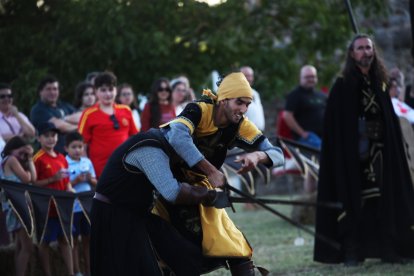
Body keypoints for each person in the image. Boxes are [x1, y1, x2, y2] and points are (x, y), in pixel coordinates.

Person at [90, 72, 284, 275]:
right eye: (240, 102)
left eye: (247, 104)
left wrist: (258, 156)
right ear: (224, 99)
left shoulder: (240, 125)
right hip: (156, 202)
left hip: (189, 194)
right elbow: (176, 158)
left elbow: (277, 154)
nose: (244, 109)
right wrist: (211, 176)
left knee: (232, 245)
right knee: (169, 257)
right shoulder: (194, 114)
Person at [314, 34, 414, 265]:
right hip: (354, 155)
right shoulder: (343, 84)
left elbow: (389, 119)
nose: (365, 52)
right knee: (355, 201)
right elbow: (336, 125)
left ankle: (389, 250)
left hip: (382, 152)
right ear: (352, 54)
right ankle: (353, 251)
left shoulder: (380, 82)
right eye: (360, 48)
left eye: (368, 48)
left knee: (385, 200)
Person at [33, 122, 74, 276]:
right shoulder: (38, 158)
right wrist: (52, 179)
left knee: (65, 240)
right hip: (46, 209)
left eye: (53, 135)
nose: (51, 139)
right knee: (44, 242)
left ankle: (71, 273)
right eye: (47, 136)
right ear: (39, 138)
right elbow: (33, 184)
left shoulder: (62, 158)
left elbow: (67, 181)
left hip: (62, 208)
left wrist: (70, 190)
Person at [78, 72, 138, 178]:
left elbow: (135, 138)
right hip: (99, 170)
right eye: (103, 90)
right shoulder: (88, 114)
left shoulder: (126, 110)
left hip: (125, 167)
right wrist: (87, 168)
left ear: (116, 91)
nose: (108, 94)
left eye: (110, 89)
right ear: (96, 91)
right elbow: (81, 144)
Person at [284, 65, 327, 194]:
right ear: (300, 78)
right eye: (307, 77)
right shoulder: (294, 95)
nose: (310, 79)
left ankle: (316, 199)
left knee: (316, 169)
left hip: (323, 137)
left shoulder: (322, 95)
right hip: (307, 139)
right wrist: (302, 133)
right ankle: (311, 200)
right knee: (313, 168)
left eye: (313, 76)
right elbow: (287, 116)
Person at [0, 136, 36, 276]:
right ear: (11, 149)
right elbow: (28, 179)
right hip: (17, 207)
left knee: (20, 246)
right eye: (21, 152)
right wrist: (30, 158)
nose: (23, 155)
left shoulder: (11, 160)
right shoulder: (11, 159)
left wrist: (29, 159)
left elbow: (33, 178)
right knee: (27, 247)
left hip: (13, 206)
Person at [65, 131, 96, 276]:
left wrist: (90, 179)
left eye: (80, 146)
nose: (77, 150)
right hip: (73, 208)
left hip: (87, 206)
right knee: (74, 242)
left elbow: (96, 182)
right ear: (66, 148)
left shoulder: (87, 162)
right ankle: (77, 271)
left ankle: (89, 270)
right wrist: (75, 181)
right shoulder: (64, 162)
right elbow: (63, 185)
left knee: (88, 240)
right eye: (73, 147)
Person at [30, 76, 77, 153]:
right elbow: (60, 127)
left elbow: (81, 116)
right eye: (48, 89)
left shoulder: (64, 105)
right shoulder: (38, 110)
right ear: (40, 91)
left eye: (55, 89)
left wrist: (63, 119)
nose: (52, 92)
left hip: (71, 154)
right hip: (50, 156)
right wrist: (81, 126)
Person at [240, 66, 265, 131]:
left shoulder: (256, 93)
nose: (249, 78)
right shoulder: (236, 93)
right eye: (247, 76)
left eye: (251, 76)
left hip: (259, 133)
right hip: (245, 134)